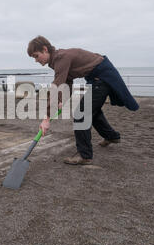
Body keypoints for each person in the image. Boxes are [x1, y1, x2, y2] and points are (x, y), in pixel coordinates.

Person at [27, 36, 139, 165]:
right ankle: (111, 136)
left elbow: (56, 86)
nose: (35, 60)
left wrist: (46, 118)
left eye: (36, 56)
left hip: (103, 78)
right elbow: (67, 82)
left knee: (81, 113)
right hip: (98, 79)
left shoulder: (61, 57)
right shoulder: (58, 60)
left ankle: (84, 155)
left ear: (45, 49)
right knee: (91, 111)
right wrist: (61, 100)